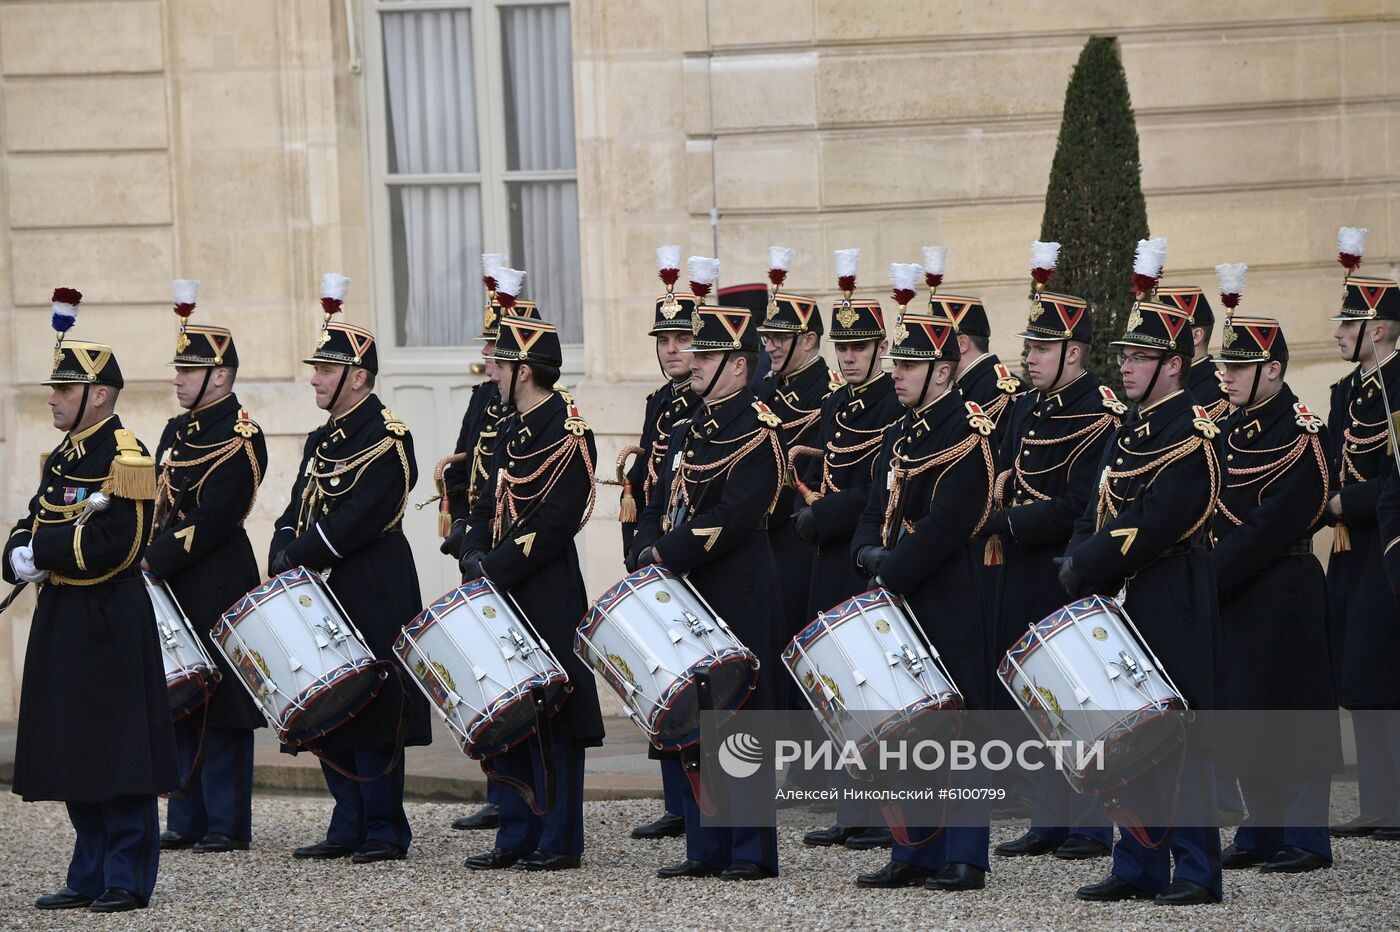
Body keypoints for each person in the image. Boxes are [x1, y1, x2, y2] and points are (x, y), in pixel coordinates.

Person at [4, 288, 177, 912]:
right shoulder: (66, 458)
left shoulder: (125, 456)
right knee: (76, 748)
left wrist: (40, 552)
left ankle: (126, 877)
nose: (52, 398)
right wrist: (18, 553)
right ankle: (88, 871)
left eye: (64, 390)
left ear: (98, 394)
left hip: (109, 616)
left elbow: (117, 545)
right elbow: (29, 525)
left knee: (119, 751)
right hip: (64, 617)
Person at [1061, 299, 1224, 906]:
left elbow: (1156, 519)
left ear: (1174, 366)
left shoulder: (1193, 434)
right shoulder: (1127, 429)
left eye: (1141, 357)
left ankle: (1198, 870)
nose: (1126, 367)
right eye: (1125, 356)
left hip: (1170, 591)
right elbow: (1096, 507)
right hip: (1123, 600)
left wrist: (1091, 561)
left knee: (1179, 737)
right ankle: (1137, 863)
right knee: (1126, 735)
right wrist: (1078, 555)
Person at [267, 274, 432, 863]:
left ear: (357, 377)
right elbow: (294, 507)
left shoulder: (389, 438)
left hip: (372, 581)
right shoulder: (321, 439)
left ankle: (385, 827)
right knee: (328, 703)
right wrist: (282, 547)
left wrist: (303, 551)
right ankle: (347, 821)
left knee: (374, 704)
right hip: (319, 588)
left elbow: (362, 517)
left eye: (325, 370)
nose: (314, 378)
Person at [630, 297, 786, 881]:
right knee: (695, 714)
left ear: (739, 366)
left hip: (737, 586)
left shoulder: (757, 429)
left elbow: (736, 512)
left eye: (709, 354)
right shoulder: (688, 426)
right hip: (685, 592)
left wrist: (667, 551)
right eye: (694, 352)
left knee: (739, 716)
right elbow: (654, 494)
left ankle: (749, 849)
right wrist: (643, 544)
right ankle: (705, 844)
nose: (693, 362)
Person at [849, 311, 996, 892]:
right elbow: (869, 508)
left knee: (956, 732)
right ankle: (912, 847)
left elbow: (946, 525)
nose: (897, 376)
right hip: (897, 594)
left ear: (942, 371)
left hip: (946, 593)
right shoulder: (898, 433)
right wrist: (866, 553)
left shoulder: (969, 431)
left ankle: (964, 855)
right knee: (905, 727)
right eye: (897, 366)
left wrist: (892, 574)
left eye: (908, 366)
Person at [459, 311, 606, 872]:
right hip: (499, 588)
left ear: (524, 370)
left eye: (501, 361)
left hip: (542, 589)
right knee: (507, 709)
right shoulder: (506, 426)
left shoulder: (568, 432)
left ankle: (558, 837)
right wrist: (472, 548)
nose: (490, 370)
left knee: (553, 714)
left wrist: (495, 564)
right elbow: (483, 497)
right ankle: (515, 833)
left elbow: (555, 522)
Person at [984, 290, 1120, 862]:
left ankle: (1088, 823)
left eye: (1043, 347)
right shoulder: (1027, 407)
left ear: (1074, 353)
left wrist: (1006, 519)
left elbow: (1075, 506)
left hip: (1063, 571)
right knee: (1033, 698)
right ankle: (1048, 816)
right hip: (1019, 569)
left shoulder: (1099, 411)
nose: (1031, 357)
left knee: (1076, 700)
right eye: (1030, 347)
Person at [1211, 313, 1338, 872]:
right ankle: (1259, 827)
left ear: (1274, 370)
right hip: (1236, 590)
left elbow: (1272, 526)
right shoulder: (1222, 427)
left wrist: (1205, 576)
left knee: (1296, 714)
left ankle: (1306, 836)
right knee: (1246, 712)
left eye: (1240, 368)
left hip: (1284, 587)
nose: (1228, 377)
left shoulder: (1303, 432)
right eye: (1225, 366)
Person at [147, 281, 267, 856]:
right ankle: (186, 814)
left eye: (188, 372)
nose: (177, 379)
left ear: (220, 376)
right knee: (178, 697)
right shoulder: (176, 431)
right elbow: (158, 498)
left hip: (217, 578)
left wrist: (156, 556)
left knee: (222, 704)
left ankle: (226, 821)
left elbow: (217, 516)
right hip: (172, 581)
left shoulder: (243, 435)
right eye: (178, 370)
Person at [793, 295, 901, 852]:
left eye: (860, 347)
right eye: (844, 347)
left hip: (860, 551)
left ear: (881, 349)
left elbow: (875, 487)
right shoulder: (837, 402)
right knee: (834, 685)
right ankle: (849, 807)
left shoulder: (891, 402)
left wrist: (826, 515)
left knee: (869, 686)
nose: (851, 357)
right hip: (825, 559)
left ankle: (883, 813)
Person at [438, 258, 539, 834]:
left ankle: (518, 802)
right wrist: (459, 521)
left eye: (500, 349)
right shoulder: (485, 398)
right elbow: (463, 457)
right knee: (486, 672)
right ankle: (498, 790)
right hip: (477, 545)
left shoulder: (544, 410)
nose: (492, 359)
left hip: (511, 551)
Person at [620, 249, 702, 841]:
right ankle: (678, 803)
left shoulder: (706, 401)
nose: (672, 348)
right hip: (657, 547)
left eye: (682, 337)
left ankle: (707, 805)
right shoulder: (657, 404)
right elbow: (645, 481)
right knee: (665, 679)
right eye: (664, 339)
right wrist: (639, 543)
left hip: (694, 550)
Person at [1326, 274, 1400, 838]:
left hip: (1385, 545)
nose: (1336, 335)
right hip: (1351, 552)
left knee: (1388, 678)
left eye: (1347, 325)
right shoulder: (1347, 390)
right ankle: (1377, 803)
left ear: (1376, 331)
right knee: (1360, 678)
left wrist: (1345, 501)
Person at [754, 266, 837, 730]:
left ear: (809, 340)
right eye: (767, 337)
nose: (771, 345)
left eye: (782, 337)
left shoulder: (829, 393)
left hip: (802, 533)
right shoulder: (765, 388)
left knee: (805, 642)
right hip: (766, 530)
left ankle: (813, 756)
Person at [937, 293, 1022, 451]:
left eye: (938, 340)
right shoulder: (964, 386)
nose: (932, 351)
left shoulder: (1000, 391)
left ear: (961, 344)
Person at [1158, 285, 1231, 421]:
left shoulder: (1221, 395)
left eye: (1165, 335)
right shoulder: (1157, 387)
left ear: (1195, 336)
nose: (1156, 344)